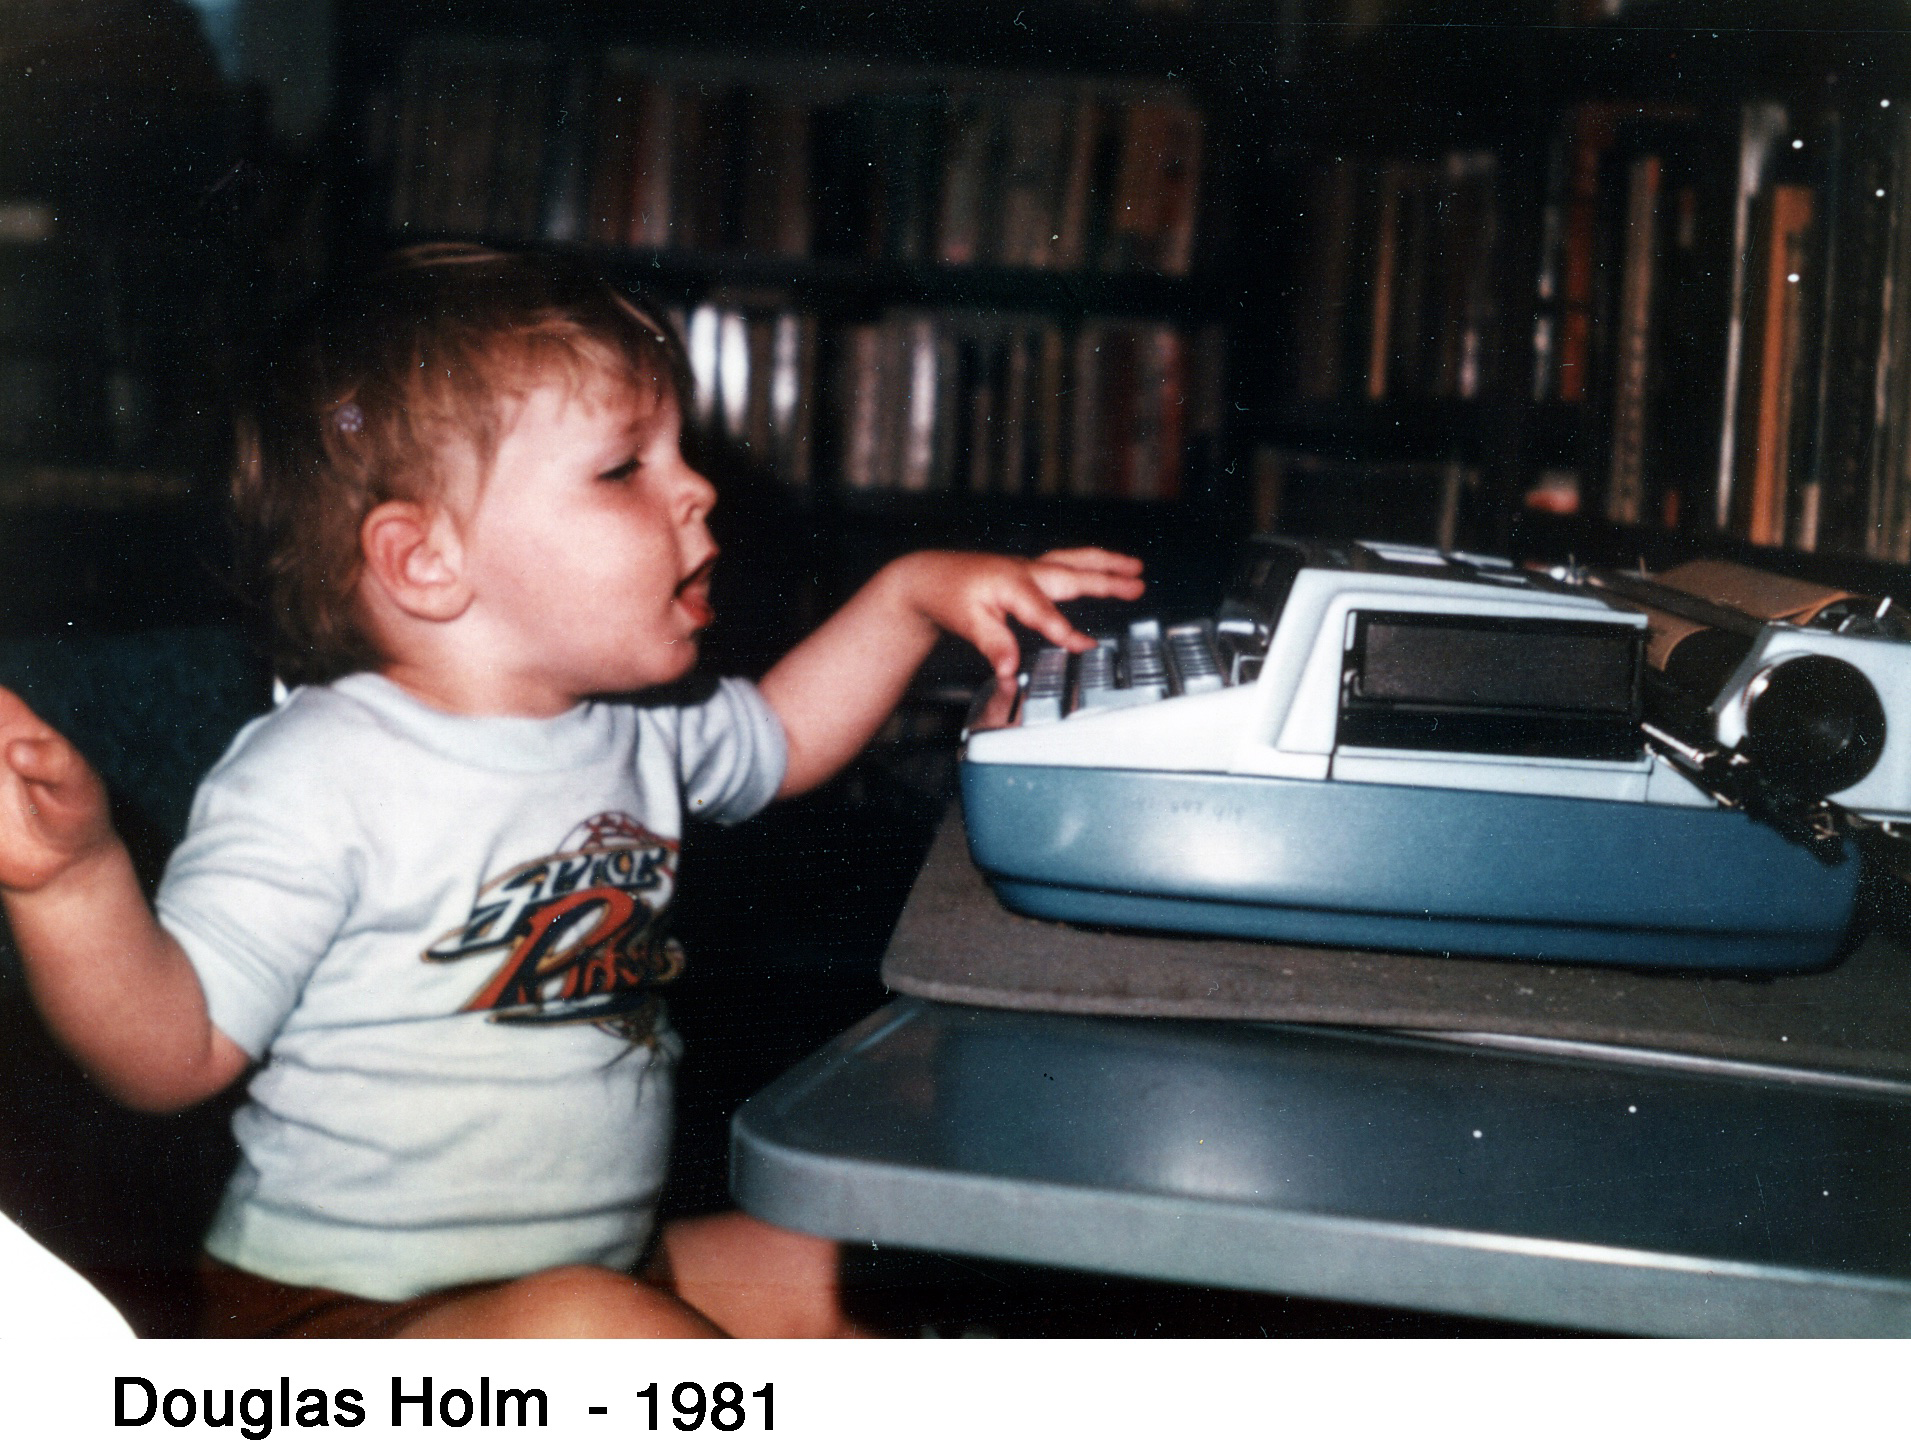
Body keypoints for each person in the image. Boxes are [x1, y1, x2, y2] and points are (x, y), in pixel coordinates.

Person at [0, 245, 1144, 1337]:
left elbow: (787, 736)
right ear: (425, 560)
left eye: (678, 450)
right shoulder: (318, 772)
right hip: (345, 1319)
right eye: (622, 466)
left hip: (603, 1269)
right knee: (603, 1332)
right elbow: (172, 1049)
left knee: (845, 1271)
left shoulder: (637, 721)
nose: (697, 488)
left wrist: (904, 599)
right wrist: (74, 880)